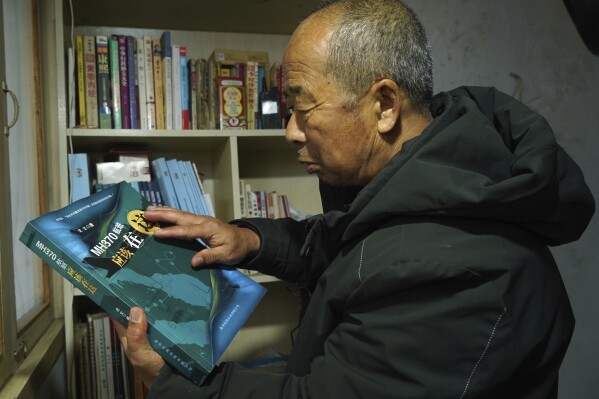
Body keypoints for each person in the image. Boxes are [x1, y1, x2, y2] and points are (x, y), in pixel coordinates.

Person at [114, 0, 595, 397]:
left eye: (303, 108)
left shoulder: (460, 274)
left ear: (384, 106)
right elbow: (347, 246)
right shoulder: (429, 185)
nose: (290, 132)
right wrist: (249, 240)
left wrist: (170, 381)